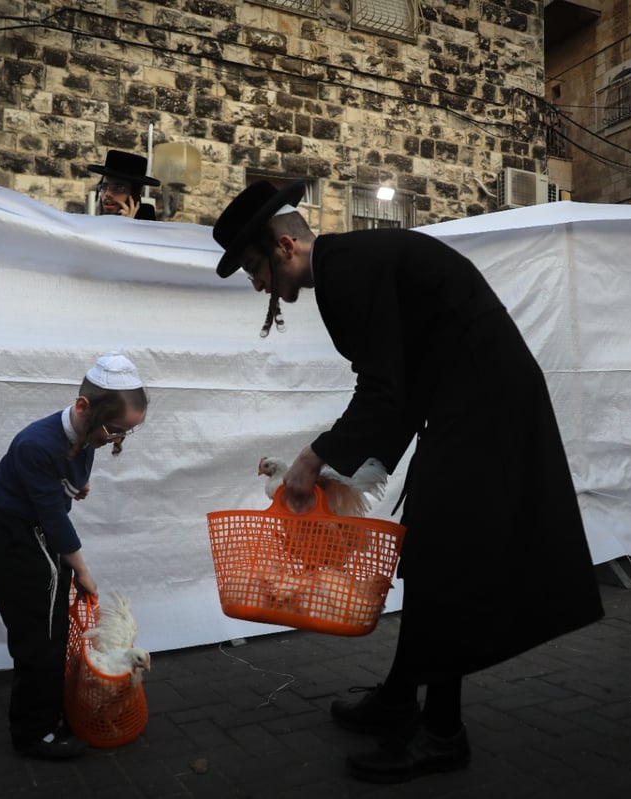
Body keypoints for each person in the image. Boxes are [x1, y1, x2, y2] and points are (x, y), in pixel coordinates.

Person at [211, 181, 605, 784]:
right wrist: (354, 468)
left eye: (254, 269)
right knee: (429, 553)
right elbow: (399, 390)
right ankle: (400, 696)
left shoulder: (344, 273)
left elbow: (384, 394)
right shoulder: (347, 267)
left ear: (284, 245)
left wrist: (311, 462)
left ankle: (443, 734)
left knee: (443, 559)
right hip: (465, 401)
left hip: (486, 403)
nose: (258, 285)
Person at [0, 350, 149, 760]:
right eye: (112, 430)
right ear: (82, 406)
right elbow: (53, 518)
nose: (114, 440)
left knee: (54, 631)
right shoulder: (36, 444)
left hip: (37, 532)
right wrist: (84, 571)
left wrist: (75, 489)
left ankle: (52, 711)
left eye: (124, 433)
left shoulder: (86, 433)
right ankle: (33, 732)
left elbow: (67, 487)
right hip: (18, 537)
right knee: (39, 637)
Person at [86, 151, 160, 220]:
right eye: (104, 187)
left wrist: (127, 226)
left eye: (119, 188)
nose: (107, 194)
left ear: (133, 195)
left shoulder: (146, 229)